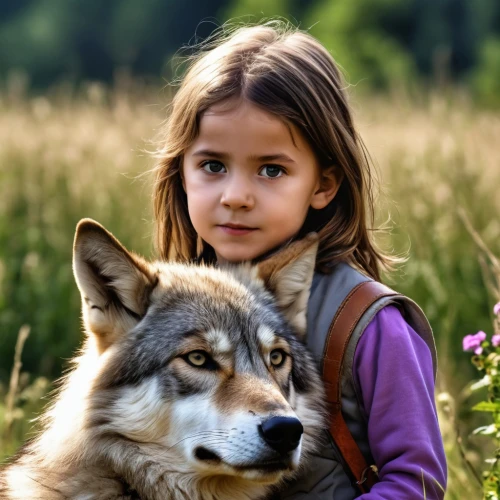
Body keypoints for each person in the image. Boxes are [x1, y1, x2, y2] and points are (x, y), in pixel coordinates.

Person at [152, 21, 447, 499]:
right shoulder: (170, 304)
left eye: (271, 169)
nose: (236, 196)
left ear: (323, 184)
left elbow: (417, 480)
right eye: (213, 166)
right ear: (181, 173)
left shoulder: (367, 323)